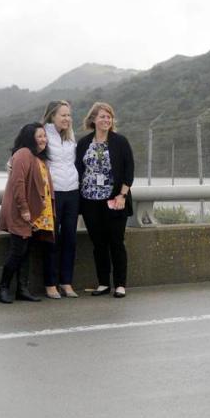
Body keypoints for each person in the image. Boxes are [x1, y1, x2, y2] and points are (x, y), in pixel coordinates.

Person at [76, 102, 134, 298]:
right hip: (90, 200)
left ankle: (120, 284)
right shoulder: (84, 143)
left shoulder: (120, 142)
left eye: (109, 116)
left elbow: (129, 170)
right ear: (93, 119)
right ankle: (103, 283)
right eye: (102, 116)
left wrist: (122, 195)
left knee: (116, 242)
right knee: (98, 243)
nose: (106, 120)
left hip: (114, 199)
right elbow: (77, 169)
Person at [0, 123, 55, 304]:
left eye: (45, 136)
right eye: (39, 136)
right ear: (30, 138)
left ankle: (22, 289)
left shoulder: (39, 157)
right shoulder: (23, 154)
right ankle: (3, 288)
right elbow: (18, 183)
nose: (43, 139)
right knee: (17, 250)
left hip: (36, 214)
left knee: (26, 250)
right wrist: (24, 209)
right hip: (22, 212)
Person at [41, 100, 80, 299]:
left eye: (69, 115)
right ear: (52, 116)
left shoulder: (70, 136)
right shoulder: (43, 135)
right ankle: (50, 284)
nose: (67, 119)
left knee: (70, 239)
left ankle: (66, 282)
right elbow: (22, 156)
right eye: (63, 115)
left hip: (72, 192)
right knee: (52, 239)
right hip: (53, 194)